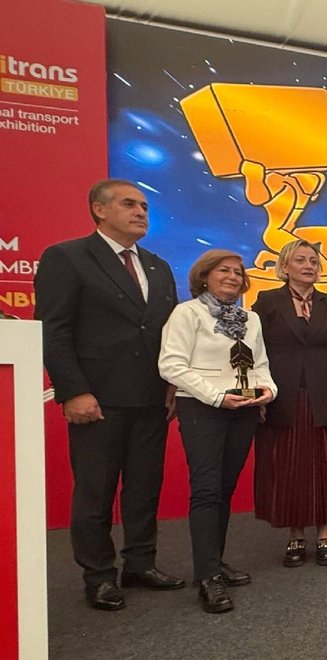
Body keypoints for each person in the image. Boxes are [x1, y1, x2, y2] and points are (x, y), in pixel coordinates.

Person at [35, 179, 184, 611]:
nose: (140, 212)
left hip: (151, 397)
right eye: (129, 204)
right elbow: (53, 330)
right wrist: (74, 391)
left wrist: (172, 385)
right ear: (99, 210)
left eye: (144, 206)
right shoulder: (67, 257)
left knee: (144, 488)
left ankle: (140, 563)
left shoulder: (157, 265)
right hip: (96, 399)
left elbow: (166, 334)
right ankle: (99, 575)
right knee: (95, 493)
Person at [159, 249, 277, 613]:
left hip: (243, 409)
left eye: (238, 272)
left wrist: (269, 390)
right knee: (207, 490)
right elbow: (171, 365)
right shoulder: (187, 313)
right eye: (224, 270)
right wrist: (215, 396)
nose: (232, 277)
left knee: (225, 488)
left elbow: (260, 364)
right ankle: (207, 576)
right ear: (204, 276)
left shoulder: (250, 319)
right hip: (203, 409)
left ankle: (215, 561)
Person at [251, 240, 327, 566]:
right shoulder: (267, 301)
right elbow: (254, 351)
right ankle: (295, 534)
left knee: (325, 466)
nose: (309, 265)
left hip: (324, 397)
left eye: (313, 260)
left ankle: (325, 532)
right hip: (282, 396)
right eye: (300, 260)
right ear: (284, 266)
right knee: (290, 465)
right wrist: (258, 394)